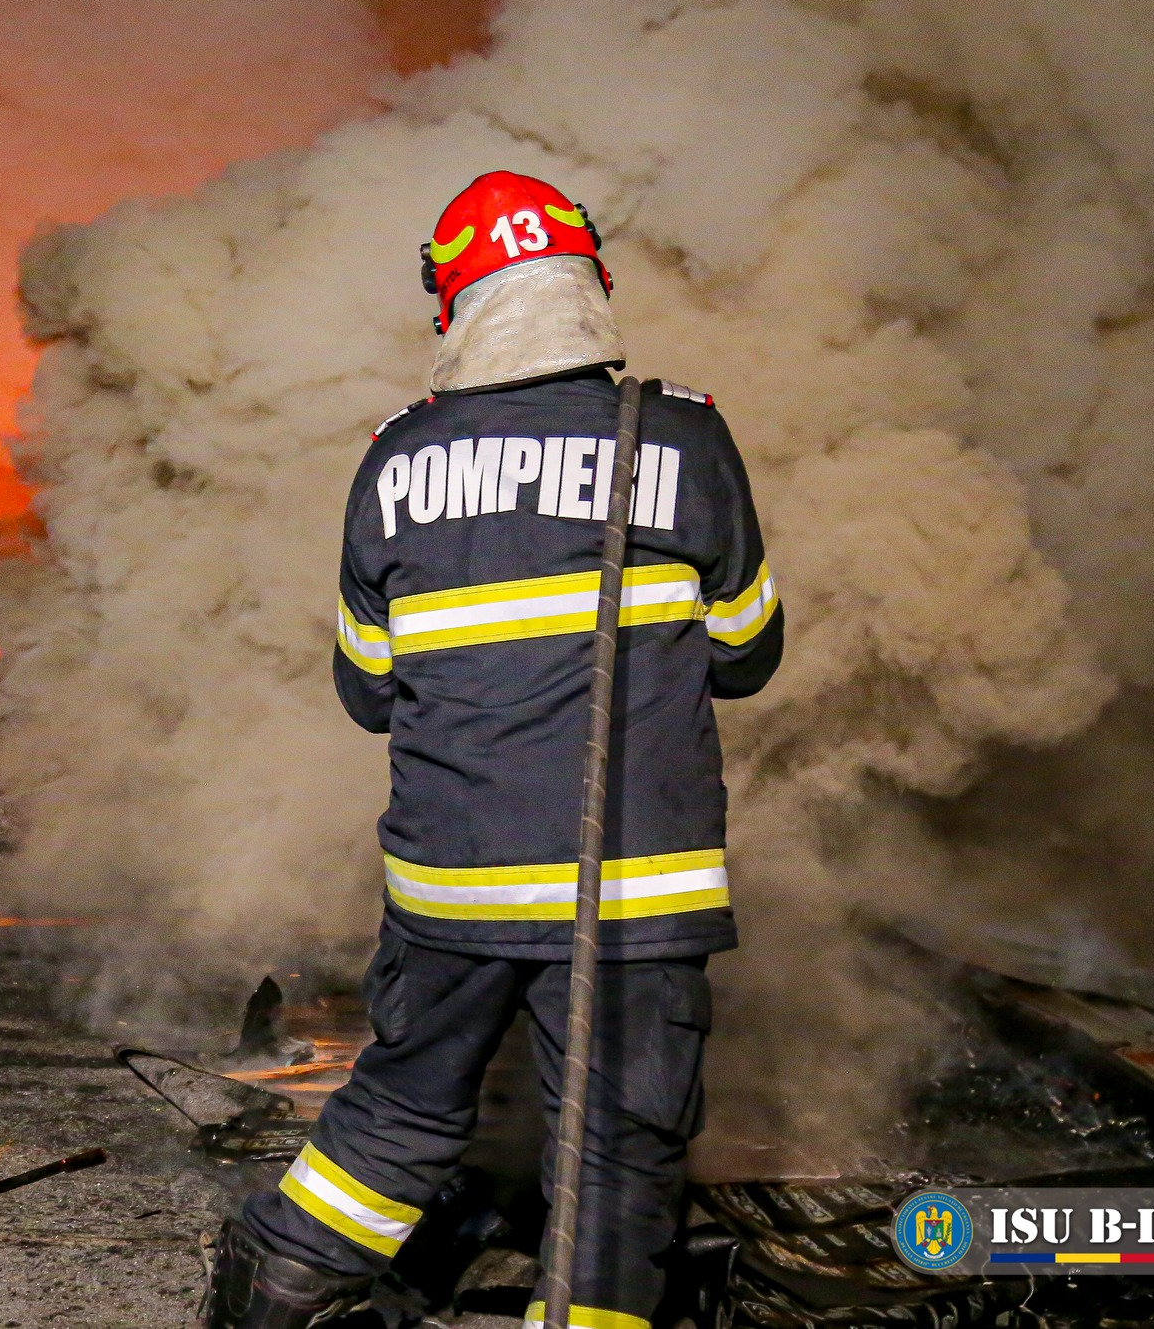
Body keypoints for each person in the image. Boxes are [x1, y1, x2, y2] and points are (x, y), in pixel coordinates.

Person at [201, 173, 784, 1329]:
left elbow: (367, 690)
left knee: (408, 1103)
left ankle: (275, 1285)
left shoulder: (391, 463)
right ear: (592, 285)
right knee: (617, 1147)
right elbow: (747, 652)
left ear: (451, 304)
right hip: (627, 887)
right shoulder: (678, 438)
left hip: (448, 878)